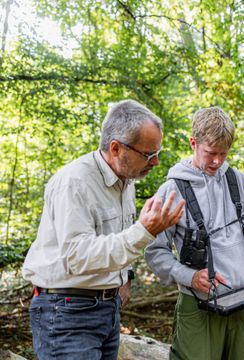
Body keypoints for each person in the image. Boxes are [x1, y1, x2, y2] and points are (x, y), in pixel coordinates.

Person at [22, 99, 185, 360]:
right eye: (148, 154)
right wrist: (145, 230)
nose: (155, 162)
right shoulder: (74, 182)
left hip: (107, 309)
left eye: (157, 153)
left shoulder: (126, 181)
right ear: (116, 148)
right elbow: (77, 256)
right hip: (67, 313)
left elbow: (115, 237)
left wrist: (125, 278)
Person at [145, 106, 244, 360]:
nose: (217, 161)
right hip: (199, 305)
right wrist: (189, 276)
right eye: (211, 153)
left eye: (223, 154)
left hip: (243, 301)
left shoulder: (239, 181)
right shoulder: (172, 190)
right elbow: (155, 251)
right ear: (193, 143)